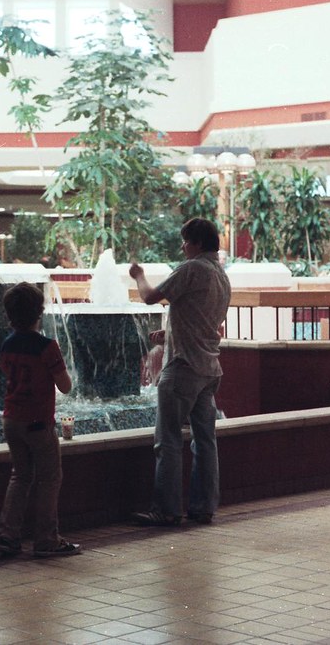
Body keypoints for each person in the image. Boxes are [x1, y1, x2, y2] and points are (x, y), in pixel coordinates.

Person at [128, 218, 231, 526]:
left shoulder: (192, 268)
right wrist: (169, 334)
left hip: (183, 367)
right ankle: (203, 508)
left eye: (185, 241)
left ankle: (167, 510)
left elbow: (149, 296)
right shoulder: (222, 276)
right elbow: (203, 321)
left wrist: (139, 275)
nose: (183, 247)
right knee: (205, 440)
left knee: (168, 440)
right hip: (209, 368)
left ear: (197, 242)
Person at [0, 282, 80, 558]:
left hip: (11, 420)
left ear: (10, 315)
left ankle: (8, 536)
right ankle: (46, 539)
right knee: (49, 478)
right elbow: (65, 386)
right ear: (39, 313)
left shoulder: (7, 345)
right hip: (38, 423)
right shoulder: (47, 346)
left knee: (20, 476)